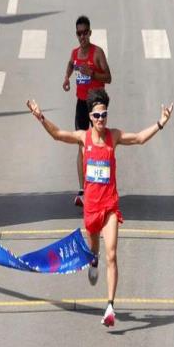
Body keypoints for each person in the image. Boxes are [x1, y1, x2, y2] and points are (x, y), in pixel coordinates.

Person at [27, 89, 173, 327]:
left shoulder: (113, 136)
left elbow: (138, 138)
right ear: (90, 117)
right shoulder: (83, 138)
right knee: (94, 250)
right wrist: (40, 116)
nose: (101, 119)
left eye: (104, 115)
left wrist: (160, 123)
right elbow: (58, 135)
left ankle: (110, 306)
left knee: (112, 254)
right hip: (91, 208)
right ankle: (93, 261)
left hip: (110, 206)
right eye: (96, 116)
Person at [63, 16, 111, 207]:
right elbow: (71, 64)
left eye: (85, 33)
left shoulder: (97, 53)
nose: (82, 36)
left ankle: (102, 186)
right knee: (81, 144)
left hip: (96, 104)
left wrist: (92, 73)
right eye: (79, 33)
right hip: (81, 104)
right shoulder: (75, 53)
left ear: (90, 33)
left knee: (100, 144)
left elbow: (108, 77)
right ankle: (83, 189)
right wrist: (66, 78)